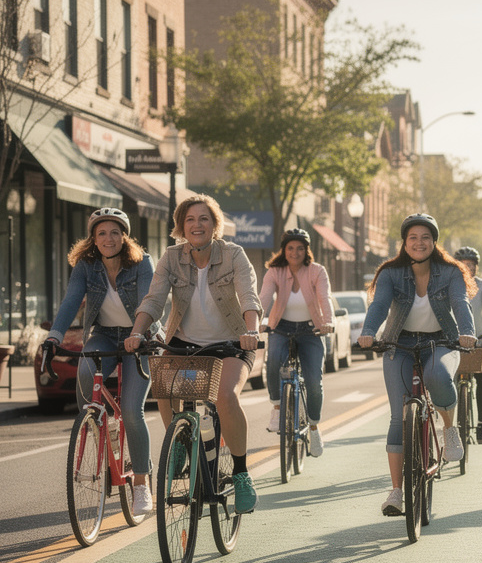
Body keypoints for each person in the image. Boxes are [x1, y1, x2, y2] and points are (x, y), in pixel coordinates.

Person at [126, 195, 263, 514]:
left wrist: (251, 330)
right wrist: (136, 332)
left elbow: (248, 295)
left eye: (204, 218)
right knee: (164, 385)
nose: (197, 224)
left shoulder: (233, 255)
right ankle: (180, 442)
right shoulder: (171, 257)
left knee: (226, 397)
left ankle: (241, 473)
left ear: (215, 225)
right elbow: (153, 299)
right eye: (190, 219)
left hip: (231, 343)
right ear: (180, 227)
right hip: (184, 343)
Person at [357, 213, 477, 517]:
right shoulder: (390, 273)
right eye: (413, 238)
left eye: (425, 237)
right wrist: (369, 333)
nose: (419, 242)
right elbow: (379, 305)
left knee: (438, 375)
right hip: (399, 344)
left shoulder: (449, 272)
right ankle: (396, 491)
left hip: (442, 342)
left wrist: (467, 333)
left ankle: (450, 429)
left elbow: (460, 303)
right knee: (399, 417)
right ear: (404, 243)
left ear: (434, 241)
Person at [43, 208, 158, 515]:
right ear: (93, 239)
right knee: (85, 371)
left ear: (125, 236)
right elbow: (70, 302)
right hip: (104, 335)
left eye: (115, 232)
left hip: (139, 337)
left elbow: (149, 301)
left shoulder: (141, 263)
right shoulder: (86, 266)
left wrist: (138, 334)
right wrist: (54, 336)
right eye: (102, 233)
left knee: (133, 412)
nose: (109, 239)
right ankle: (97, 424)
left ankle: (142, 485)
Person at [260, 228, 335, 458]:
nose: (295, 252)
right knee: (273, 360)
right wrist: (258, 321)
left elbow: (324, 298)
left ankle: (313, 427)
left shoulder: (317, 271)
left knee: (313, 380)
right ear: (284, 250)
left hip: (311, 330)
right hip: (280, 327)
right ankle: (276, 406)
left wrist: (328, 322)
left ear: (306, 250)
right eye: (290, 248)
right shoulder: (274, 271)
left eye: (300, 248)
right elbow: (263, 297)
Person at [454, 246, 482, 444]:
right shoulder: (450, 284)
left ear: (476, 267)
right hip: (453, 342)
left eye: (471, 265)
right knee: (447, 381)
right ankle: (452, 426)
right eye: (463, 265)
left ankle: (481, 424)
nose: (468, 268)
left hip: (479, 341)